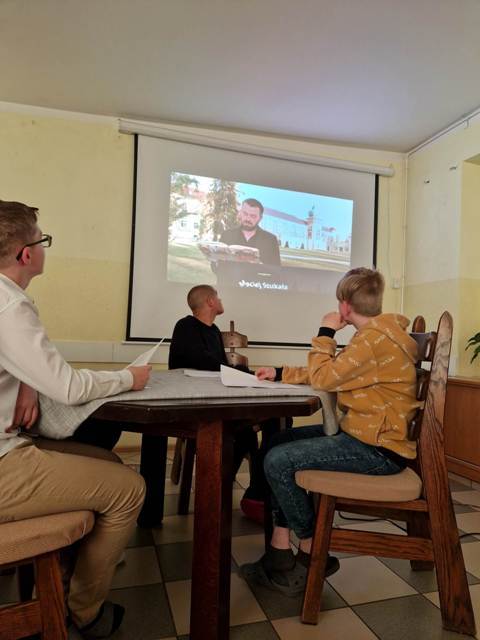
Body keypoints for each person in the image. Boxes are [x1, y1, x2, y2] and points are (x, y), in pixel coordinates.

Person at [0, 199, 152, 639]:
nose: (44, 248)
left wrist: (28, 383)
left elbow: (29, 363)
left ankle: (60, 585)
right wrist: (128, 378)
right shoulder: (10, 305)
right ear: (26, 254)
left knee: (107, 463)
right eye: (42, 240)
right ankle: (81, 613)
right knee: (130, 489)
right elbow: (67, 387)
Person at [240, 267, 420, 596]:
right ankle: (280, 550)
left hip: (377, 450)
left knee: (278, 460)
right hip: (367, 438)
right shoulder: (377, 336)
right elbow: (335, 372)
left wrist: (326, 331)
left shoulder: (373, 341)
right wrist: (280, 372)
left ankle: (312, 548)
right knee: (278, 441)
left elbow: (324, 378)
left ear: (345, 305)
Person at [169, 284, 288, 523]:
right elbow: (205, 364)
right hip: (199, 405)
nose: (221, 300)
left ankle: (259, 491)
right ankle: (220, 491)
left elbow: (220, 369)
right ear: (210, 301)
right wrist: (243, 372)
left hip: (222, 399)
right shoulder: (185, 326)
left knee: (277, 418)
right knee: (244, 434)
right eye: (218, 297)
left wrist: (246, 375)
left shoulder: (214, 330)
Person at [219, 198, 281, 266]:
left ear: (260, 218)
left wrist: (260, 265)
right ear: (240, 213)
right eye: (245, 214)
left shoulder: (270, 240)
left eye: (253, 216)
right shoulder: (227, 235)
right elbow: (217, 267)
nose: (248, 219)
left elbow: (276, 269)